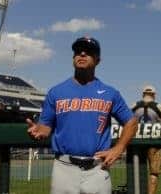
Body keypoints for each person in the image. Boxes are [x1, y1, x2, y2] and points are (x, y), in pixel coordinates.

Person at [27, 36, 138, 194]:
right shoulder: (56, 92)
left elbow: (131, 122)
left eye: (89, 52)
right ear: (73, 58)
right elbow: (45, 129)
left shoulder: (110, 93)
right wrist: (37, 132)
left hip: (97, 168)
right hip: (64, 167)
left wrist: (118, 148)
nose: (82, 54)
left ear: (98, 60)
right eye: (78, 51)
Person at [131, 85, 161, 194]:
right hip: (155, 143)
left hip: (136, 143)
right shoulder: (159, 107)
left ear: (143, 94)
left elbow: (125, 120)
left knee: (135, 171)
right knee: (154, 173)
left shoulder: (134, 105)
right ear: (154, 95)